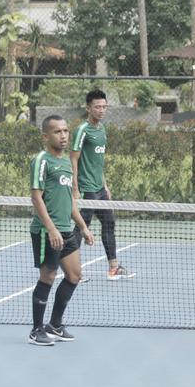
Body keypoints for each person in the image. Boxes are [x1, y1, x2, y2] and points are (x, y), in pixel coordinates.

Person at [28, 115, 96, 346]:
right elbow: (36, 197)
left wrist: (83, 227)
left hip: (67, 230)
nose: (64, 135)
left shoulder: (67, 162)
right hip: (47, 232)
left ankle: (55, 324)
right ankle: (36, 330)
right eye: (58, 132)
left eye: (66, 131)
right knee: (47, 276)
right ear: (46, 136)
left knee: (74, 276)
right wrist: (51, 229)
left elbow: (70, 201)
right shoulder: (41, 160)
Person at [71, 89, 132, 281]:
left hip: (99, 188)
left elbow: (98, 161)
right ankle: (73, 271)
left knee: (109, 223)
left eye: (104, 106)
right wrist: (75, 188)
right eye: (97, 107)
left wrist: (105, 184)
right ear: (88, 108)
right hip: (87, 188)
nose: (101, 110)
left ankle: (113, 267)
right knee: (82, 228)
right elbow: (73, 159)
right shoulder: (83, 130)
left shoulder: (102, 129)